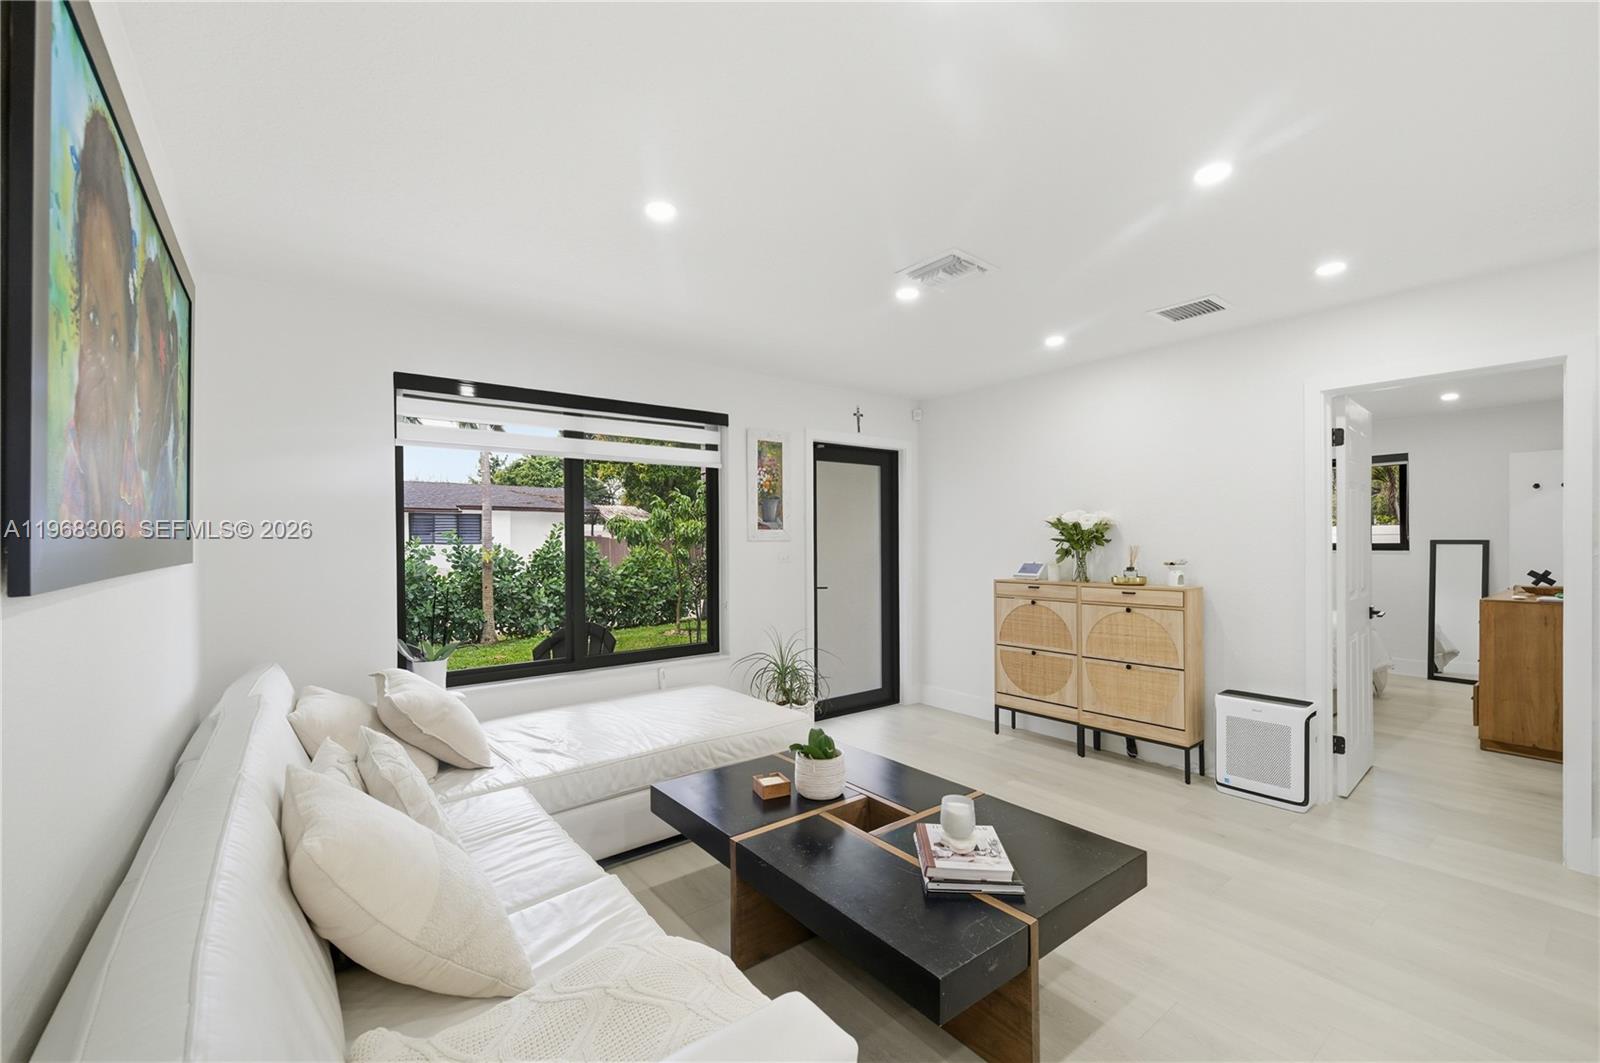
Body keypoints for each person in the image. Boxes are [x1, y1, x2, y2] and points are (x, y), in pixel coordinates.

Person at [60, 108, 137, 523]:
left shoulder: (133, 487)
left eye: (115, 337)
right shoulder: (65, 479)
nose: (105, 367)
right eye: (91, 317)